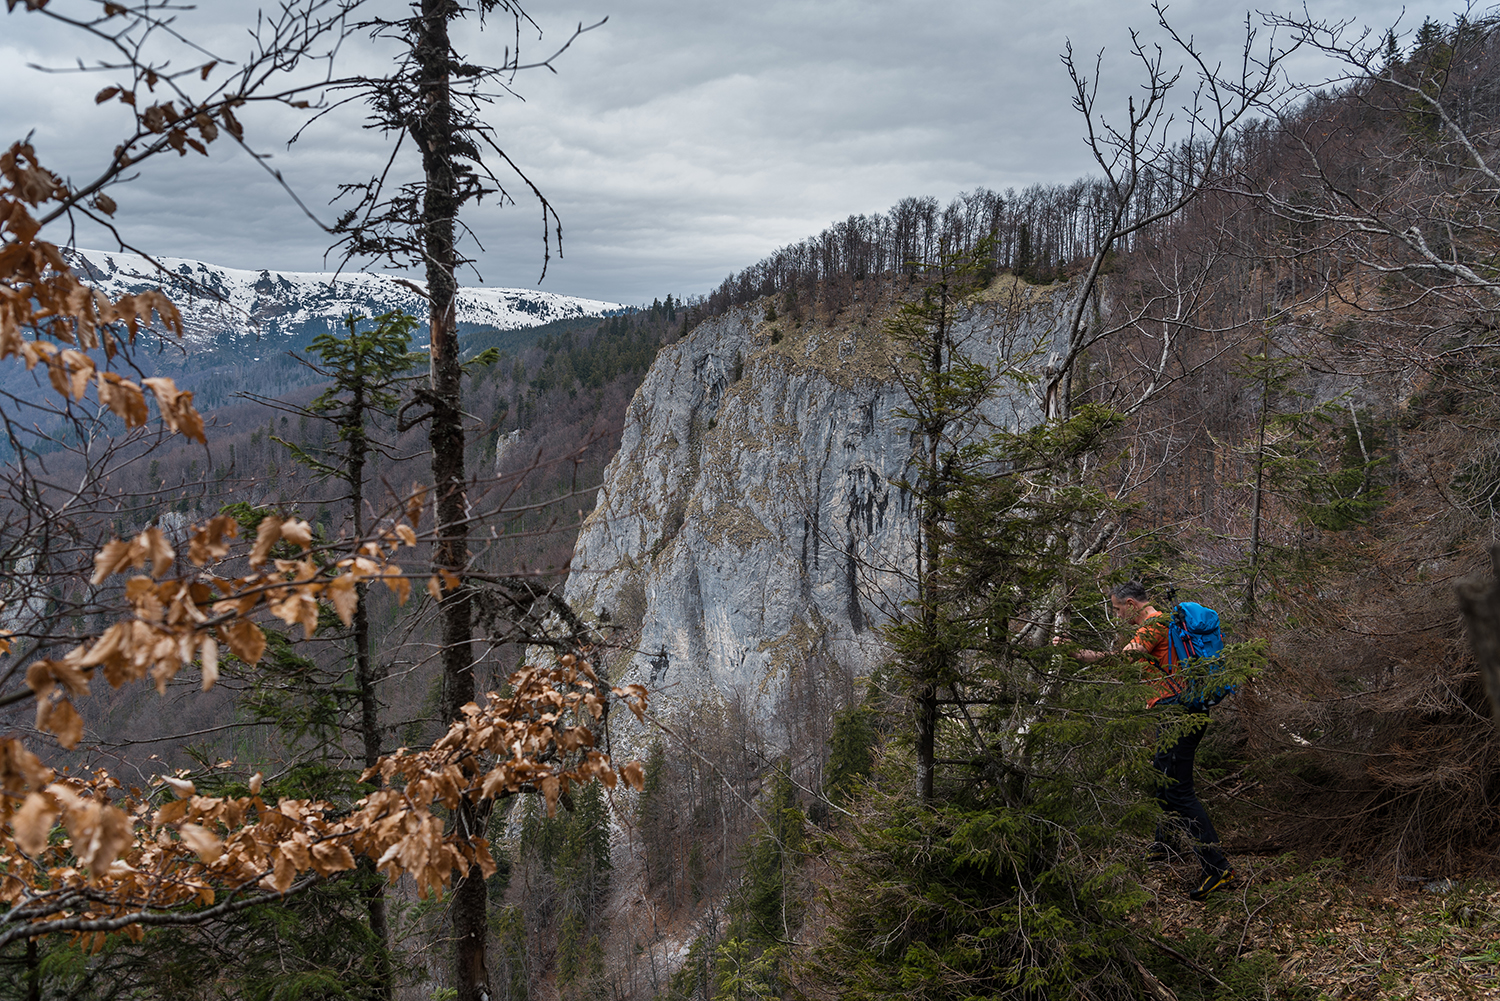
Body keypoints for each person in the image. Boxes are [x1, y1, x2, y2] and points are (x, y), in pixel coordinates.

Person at [1053, 581, 1235, 901]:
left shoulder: (1154, 626)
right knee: (1163, 781)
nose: (1116, 614)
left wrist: (1075, 652)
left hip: (1177, 714)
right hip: (1181, 712)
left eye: (1117, 608)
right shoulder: (1163, 623)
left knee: (1179, 791)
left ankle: (1217, 868)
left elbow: (1120, 660)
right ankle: (1164, 846)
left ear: (1132, 605)